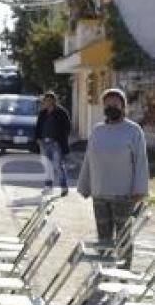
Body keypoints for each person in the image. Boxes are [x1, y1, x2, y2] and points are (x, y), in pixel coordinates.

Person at [78, 88, 149, 267]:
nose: (111, 107)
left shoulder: (134, 131)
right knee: (103, 238)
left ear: (123, 106)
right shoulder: (97, 130)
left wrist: (139, 190)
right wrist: (84, 185)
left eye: (115, 104)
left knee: (123, 237)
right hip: (100, 194)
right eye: (108, 104)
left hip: (124, 195)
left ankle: (123, 274)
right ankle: (103, 273)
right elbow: (89, 158)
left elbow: (141, 162)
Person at [35, 92, 72, 196]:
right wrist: (38, 138)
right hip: (44, 143)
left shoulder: (61, 112)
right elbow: (38, 127)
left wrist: (62, 139)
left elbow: (67, 127)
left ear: (54, 101)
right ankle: (48, 186)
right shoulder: (42, 113)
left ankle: (64, 187)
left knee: (58, 165)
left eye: (50, 100)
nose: (47, 102)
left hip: (56, 143)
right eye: (46, 100)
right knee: (47, 166)